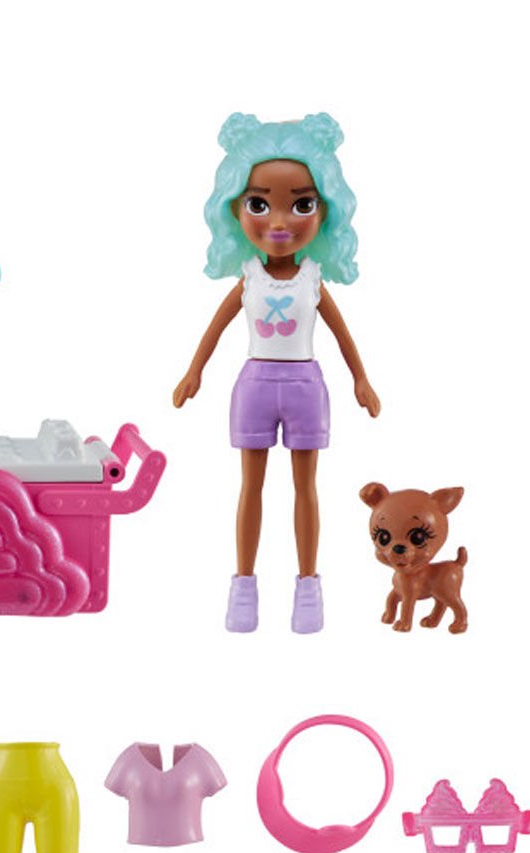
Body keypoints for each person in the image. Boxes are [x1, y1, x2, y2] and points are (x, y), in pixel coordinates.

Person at [173, 112, 380, 633]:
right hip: (255, 386)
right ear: (235, 209)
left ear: (325, 211)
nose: (281, 221)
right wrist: (194, 372)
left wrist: (361, 380)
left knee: (305, 489)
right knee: (251, 488)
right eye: (259, 205)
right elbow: (216, 328)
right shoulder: (248, 276)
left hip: (306, 385)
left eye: (302, 204)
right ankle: (243, 585)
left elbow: (342, 335)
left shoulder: (312, 279)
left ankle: (308, 586)